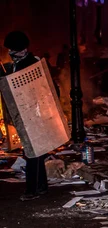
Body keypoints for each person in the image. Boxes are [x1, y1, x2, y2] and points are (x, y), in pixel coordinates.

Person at [2, 31, 48, 201]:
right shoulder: (20, 63)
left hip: (33, 114)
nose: (10, 54)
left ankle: (32, 190)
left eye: (12, 50)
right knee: (37, 152)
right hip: (27, 114)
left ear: (20, 50)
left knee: (32, 153)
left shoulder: (31, 65)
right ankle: (41, 187)